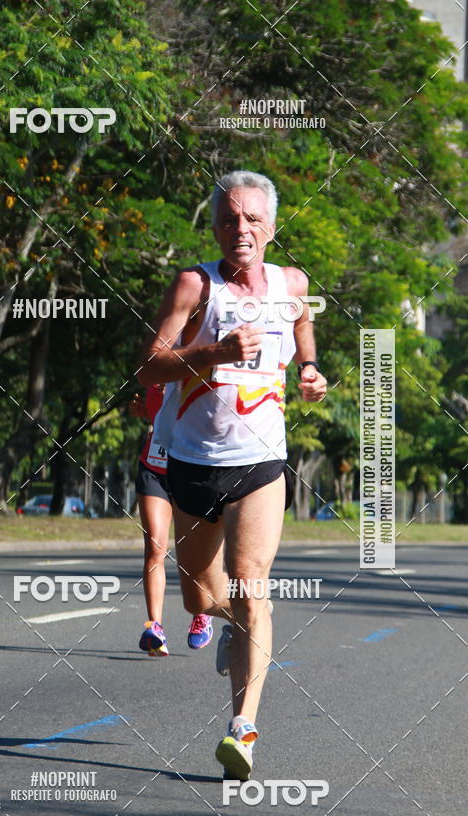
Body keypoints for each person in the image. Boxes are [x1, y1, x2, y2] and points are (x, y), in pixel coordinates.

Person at [138, 170, 327, 780]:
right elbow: (147, 367)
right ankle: (231, 631)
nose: (238, 229)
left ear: (271, 226)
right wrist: (213, 353)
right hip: (193, 462)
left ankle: (242, 729)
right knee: (201, 595)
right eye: (227, 219)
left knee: (250, 584)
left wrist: (310, 370)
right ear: (215, 226)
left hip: (261, 462)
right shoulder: (196, 285)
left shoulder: (293, 283)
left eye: (250, 219)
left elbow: (301, 323)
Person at [130, 385, 213, 657]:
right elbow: (160, 416)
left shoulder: (200, 368)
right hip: (154, 469)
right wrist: (145, 412)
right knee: (155, 548)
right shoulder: (155, 372)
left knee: (194, 554)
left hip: (190, 472)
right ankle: (154, 627)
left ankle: (203, 613)